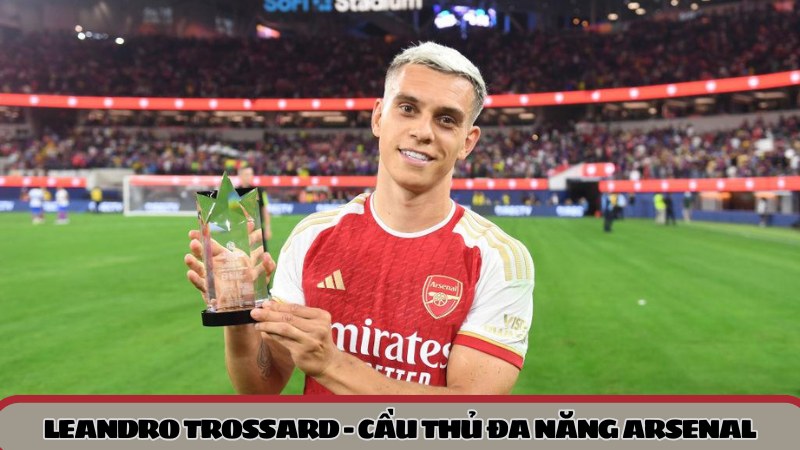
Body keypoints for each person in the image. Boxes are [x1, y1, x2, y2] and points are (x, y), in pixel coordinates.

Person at [185, 42, 534, 395]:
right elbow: (261, 387)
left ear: (467, 142)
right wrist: (238, 313)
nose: (423, 131)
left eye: (446, 119)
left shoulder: (499, 259)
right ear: (378, 117)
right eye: (408, 108)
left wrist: (332, 365)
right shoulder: (312, 237)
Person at [237, 166, 272, 242]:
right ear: (240, 176)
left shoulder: (260, 191)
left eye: (251, 174)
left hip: (258, 228)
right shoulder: (234, 192)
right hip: (242, 230)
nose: (249, 177)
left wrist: (267, 228)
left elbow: (265, 209)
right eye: (246, 174)